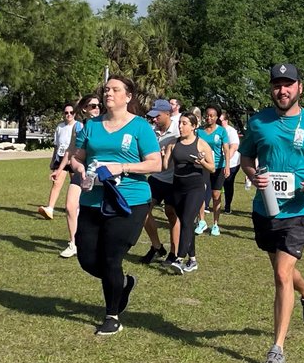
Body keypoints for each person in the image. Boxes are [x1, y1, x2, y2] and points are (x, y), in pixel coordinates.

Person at [239, 63, 304, 363]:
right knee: (283, 271)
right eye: (277, 85)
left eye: (288, 85)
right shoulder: (258, 122)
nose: (283, 90)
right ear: (271, 89)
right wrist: (254, 175)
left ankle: (277, 349)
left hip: (299, 209)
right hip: (266, 207)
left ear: (299, 88)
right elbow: (246, 158)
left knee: (281, 275)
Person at [69, 76, 162, 336]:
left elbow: (156, 163)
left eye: (115, 89)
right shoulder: (91, 125)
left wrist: (122, 167)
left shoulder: (140, 127)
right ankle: (122, 283)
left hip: (129, 201)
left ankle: (112, 315)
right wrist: (79, 168)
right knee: (87, 258)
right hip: (92, 199)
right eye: (106, 89)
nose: (108, 93)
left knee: (111, 257)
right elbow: (78, 157)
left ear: (128, 96)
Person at [43, 95, 101, 258]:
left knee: (97, 210)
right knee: (70, 206)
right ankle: (73, 243)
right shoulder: (80, 128)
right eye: (93, 106)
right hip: (81, 171)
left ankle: (99, 242)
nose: (97, 108)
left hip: (101, 174)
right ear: (85, 109)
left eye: (98, 105)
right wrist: (59, 169)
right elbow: (70, 150)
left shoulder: (105, 125)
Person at [162, 111, 215, 273]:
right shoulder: (173, 143)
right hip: (178, 187)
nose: (181, 126)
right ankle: (192, 260)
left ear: (193, 126)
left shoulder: (201, 144)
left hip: (196, 188)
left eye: (185, 123)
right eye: (180, 123)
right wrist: (163, 154)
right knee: (186, 223)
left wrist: (202, 162)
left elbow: (212, 168)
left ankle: (179, 258)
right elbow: (165, 167)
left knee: (186, 220)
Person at [138, 99, 179, 265]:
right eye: (152, 116)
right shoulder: (151, 132)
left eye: (157, 116)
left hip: (174, 180)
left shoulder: (179, 130)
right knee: (142, 209)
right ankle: (156, 246)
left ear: (168, 114)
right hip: (156, 177)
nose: (154, 119)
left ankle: (174, 253)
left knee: (171, 214)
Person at [38, 103, 84, 221]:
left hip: (74, 159)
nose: (68, 115)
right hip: (61, 158)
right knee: (56, 183)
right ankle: (50, 209)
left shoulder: (79, 126)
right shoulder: (60, 127)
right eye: (66, 112)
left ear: (75, 114)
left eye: (71, 112)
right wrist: (53, 160)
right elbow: (56, 145)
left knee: (76, 185)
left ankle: (77, 209)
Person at [194, 106, 231, 236]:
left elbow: (226, 150)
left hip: (218, 167)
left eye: (212, 116)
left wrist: (227, 165)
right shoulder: (199, 131)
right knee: (201, 193)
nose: (209, 118)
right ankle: (201, 221)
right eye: (207, 115)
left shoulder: (221, 131)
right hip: (203, 166)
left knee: (216, 196)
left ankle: (215, 224)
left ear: (217, 117)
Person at [219, 110, 242, 213]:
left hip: (232, 163)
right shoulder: (216, 130)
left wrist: (226, 161)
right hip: (218, 162)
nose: (219, 123)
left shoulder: (231, 131)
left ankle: (227, 206)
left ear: (226, 121)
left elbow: (234, 147)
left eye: (221, 121)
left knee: (228, 183)